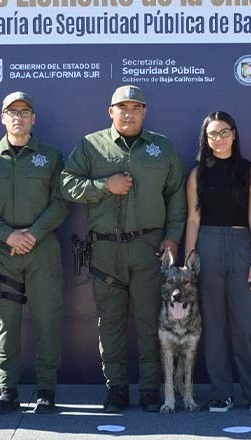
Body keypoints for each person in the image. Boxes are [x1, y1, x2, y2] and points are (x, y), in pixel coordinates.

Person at [60, 85, 187, 413]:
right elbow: (67, 184)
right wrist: (105, 186)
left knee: (149, 322)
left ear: (144, 111)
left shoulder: (163, 148)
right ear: (110, 111)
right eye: (122, 107)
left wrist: (172, 237)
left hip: (149, 248)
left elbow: (176, 197)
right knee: (110, 322)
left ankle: (148, 389)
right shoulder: (91, 145)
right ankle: (116, 388)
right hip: (105, 250)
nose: (128, 113)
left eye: (135, 107)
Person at [0, 91, 68, 414]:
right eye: (12, 112)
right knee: (7, 325)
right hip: (3, 252)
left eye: (25, 111)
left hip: (42, 250)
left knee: (47, 321)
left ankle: (46, 391)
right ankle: (7, 392)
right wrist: (8, 235)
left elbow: (61, 201)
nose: (18, 117)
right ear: (2, 117)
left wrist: (33, 234)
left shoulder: (52, 156)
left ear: (33, 119)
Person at [184, 111, 251, 413]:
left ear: (234, 134)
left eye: (223, 132)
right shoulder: (197, 173)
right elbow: (193, 220)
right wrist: (188, 261)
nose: (218, 139)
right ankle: (222, 392)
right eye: (212, 134)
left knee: (246, 323)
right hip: (206, 244)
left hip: (241, 245)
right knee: (215, 323)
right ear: (205, 139)